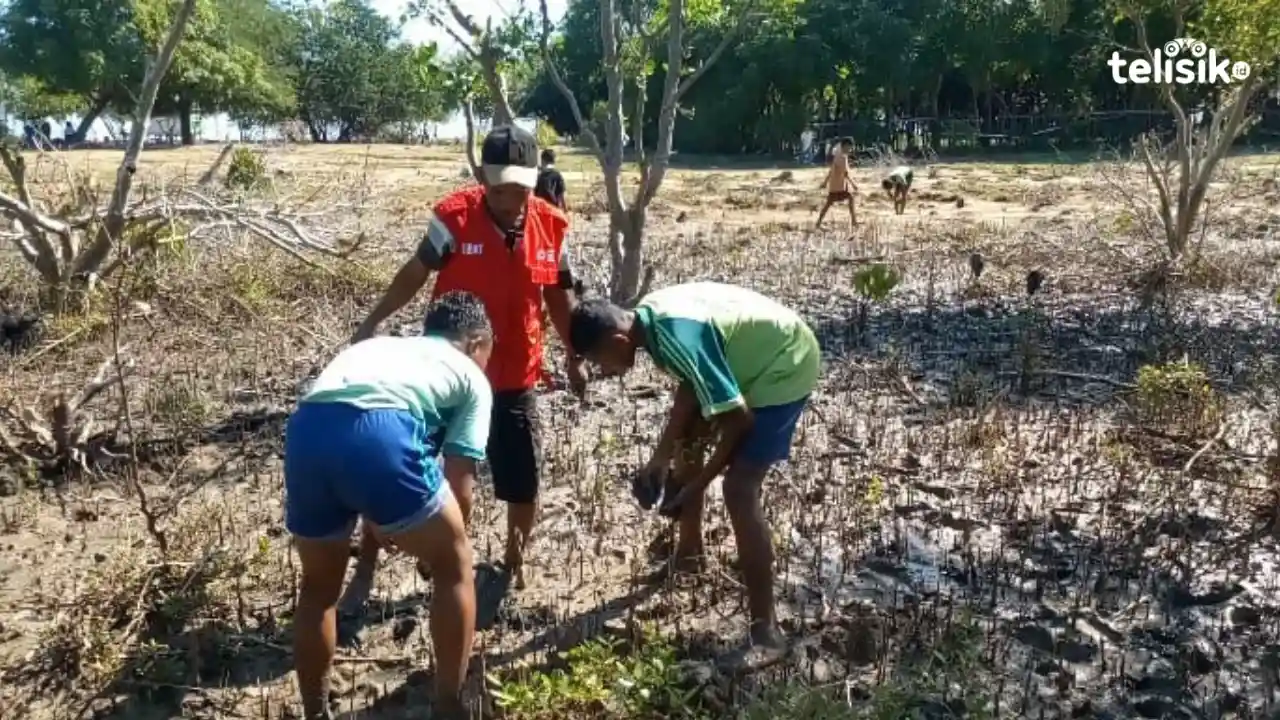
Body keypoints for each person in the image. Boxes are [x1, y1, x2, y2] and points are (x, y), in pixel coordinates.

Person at [348, 124, 585, 601]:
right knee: (402, 468)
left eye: (521, 187)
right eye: (500, 189)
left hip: (514, 374)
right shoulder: (453, 219)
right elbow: (414, 273)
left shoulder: (550, 225)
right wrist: (371, 322)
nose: (511, 198)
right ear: (481, 177)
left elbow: (559, 298)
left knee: (522, 480)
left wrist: (574, 356)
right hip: (446, 374)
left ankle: (511, 565)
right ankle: (367, 569)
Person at [567, 282, 821, 668]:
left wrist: (697, 485)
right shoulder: (649, 321)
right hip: (750, 357)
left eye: (601, 360)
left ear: (619, 339)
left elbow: (738, 420)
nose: (606, 371)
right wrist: (660, 458)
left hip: (784, 362)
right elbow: (691, 383)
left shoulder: (673, 333)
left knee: (739, 488)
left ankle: (767, 633)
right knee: (689, 437)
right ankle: (689, 553)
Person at [284, 291, 494, 720]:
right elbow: (461, 487)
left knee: (318, 592)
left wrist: (385, 515)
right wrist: (438, 549)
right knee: (456, 563)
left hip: (306, 431)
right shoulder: (472, 378)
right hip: (382, 431)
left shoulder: (377, 347)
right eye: (490, 351)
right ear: (476, 343)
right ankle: (450, 705)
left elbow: (347, 429)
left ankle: (314, 713)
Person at [814, 137, 857, 231]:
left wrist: (825, 182)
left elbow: (831, 171)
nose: (850, 149)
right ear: (845, 146)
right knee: (849, 198)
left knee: (829, 204)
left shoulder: (838, 155)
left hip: (836, 184)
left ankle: (818, 222)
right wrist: (853, 184)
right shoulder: (842, 157)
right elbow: (845, 174)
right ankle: (854, 221)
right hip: (839, 185)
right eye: (849, 147)